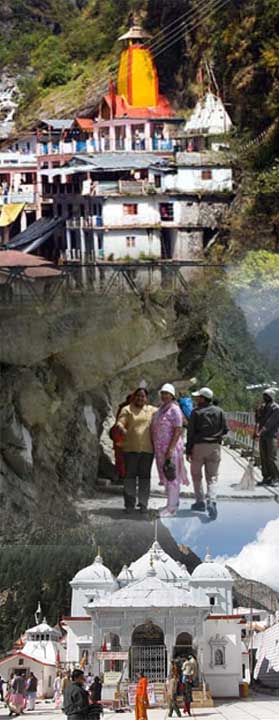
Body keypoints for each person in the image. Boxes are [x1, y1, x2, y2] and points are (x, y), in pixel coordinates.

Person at [186, 387, 228, 519]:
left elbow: (190, 433)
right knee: (212, 477)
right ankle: (212, 501)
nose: (196, 399)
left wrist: (188, 450)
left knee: (196, 476)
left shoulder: (196, 412)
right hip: (215, 447)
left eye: (198, 397)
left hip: (199, 447)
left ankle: (200, 502)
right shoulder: (220, 411)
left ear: (203, 398)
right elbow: (226, 430)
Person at [116, 388, 156, 513]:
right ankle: (129, 505)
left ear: (146, 398)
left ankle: (143, 504)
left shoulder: (152, 410)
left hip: (147, 450)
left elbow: (166, 414)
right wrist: (121, 427)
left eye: (143, 396)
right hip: (130, 449)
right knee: (130, 478)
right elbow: (120, 422)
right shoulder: (127, 409)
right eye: (138, 396)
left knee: (145, 478)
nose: (140, 398)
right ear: (134, 397)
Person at [151, 383, 189, 517]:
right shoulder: (161, 409)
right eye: (162, 393)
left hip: (170, 450)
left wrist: (171, 449)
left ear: (172, 395)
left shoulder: (174, 409)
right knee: (166, 476)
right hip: (161, 450)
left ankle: (172, 508)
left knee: (172, 476)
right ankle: (170, 503)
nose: (164, 396)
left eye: (167, 393)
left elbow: (178, 429)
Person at [255, 388, 279, 485]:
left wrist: (259, 433)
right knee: (263, 457)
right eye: (263, 396)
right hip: (262, 435)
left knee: (271, 457)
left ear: (270, 397)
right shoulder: (263, 407)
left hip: (271, 436)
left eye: (266, 396)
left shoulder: (276, 408)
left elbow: (270, 423)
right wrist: (257, 414)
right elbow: (259, 420)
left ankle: (275, 477)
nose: (264, 398)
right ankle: (266, 476)